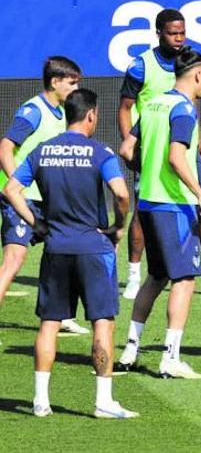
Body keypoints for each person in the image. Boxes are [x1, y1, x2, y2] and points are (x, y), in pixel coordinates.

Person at [4, 88, 137, 418]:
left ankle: (39, 401)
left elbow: (10, 189)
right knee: (102, 323)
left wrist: (37, 222)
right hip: (93, 250)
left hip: (56, 247)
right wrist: (118, 226)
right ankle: (103, 402)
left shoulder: (42, 153)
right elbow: (121, 194)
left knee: (49, 324)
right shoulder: (100, 152)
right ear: (91, 115)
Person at [116, 47, 201, 379]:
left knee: (156, 277)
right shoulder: (185, 110)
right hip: (174, 206)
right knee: (185, 279)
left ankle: (130, 349)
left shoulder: (156, 102)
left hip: (147, 203)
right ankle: (171, 357)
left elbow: (126, 149)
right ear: (198, 74)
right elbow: (177, 158)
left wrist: (146, 174)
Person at [118, 8, 201, 298]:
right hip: (153, 148)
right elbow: (126, 109)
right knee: (143, 213)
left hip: (185, 148)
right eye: (172, 33)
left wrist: (198, 136)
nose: (179, 38)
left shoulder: (190, 61)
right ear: (159, 33)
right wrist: (133, 147)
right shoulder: (141, 66)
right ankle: (133, 275)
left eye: (182, 32)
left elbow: (190, 104)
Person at [0, 56, 91, 337]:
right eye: (71, 82)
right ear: (55, 82)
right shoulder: (33, 111)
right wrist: (19, 188)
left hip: (48, 200)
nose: (76, 88)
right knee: (14, 260)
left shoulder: (63, 112)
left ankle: (60, 315)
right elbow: (5, 147)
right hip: (22, 199)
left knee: (60, 256)